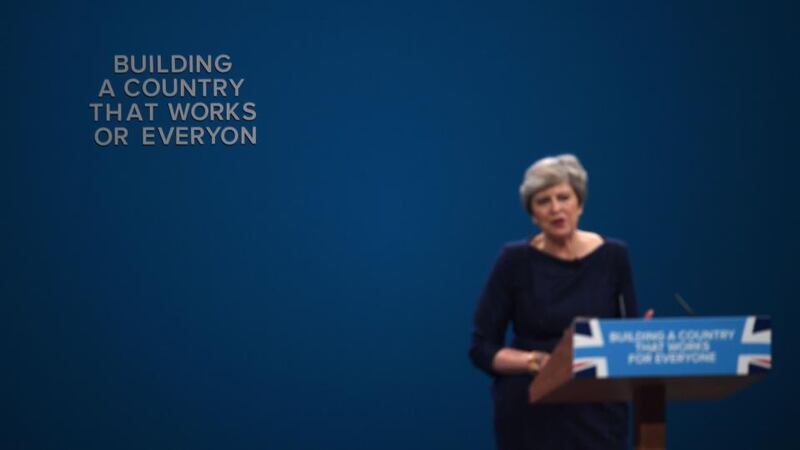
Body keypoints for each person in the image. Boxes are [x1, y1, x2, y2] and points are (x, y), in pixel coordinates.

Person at [469, 154, 639, 450]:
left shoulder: (613, 257)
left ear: (580, 203)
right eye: (543, 201)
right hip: (532, 408)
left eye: (563, 197)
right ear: (532, 213)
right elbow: (481, 348)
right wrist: (535, 361)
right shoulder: (514, 261)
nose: (556, 208)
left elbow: (628, 335)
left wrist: (640, 338)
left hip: (598, 413)